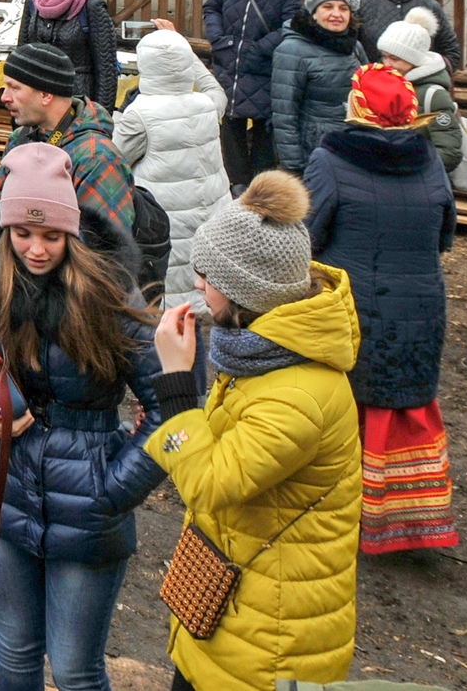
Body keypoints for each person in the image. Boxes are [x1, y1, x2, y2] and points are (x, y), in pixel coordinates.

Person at [0, 143, 169, 691]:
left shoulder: (109, 290)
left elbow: (169, 411)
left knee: (76, 669)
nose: (36, 249)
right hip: (2, 491)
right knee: (13, 652)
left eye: (52, 236)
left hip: (87, 506)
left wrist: (113, 491)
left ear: (73, 233)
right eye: (23, 234)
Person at [145, 174, 362, 691]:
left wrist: (177, 386)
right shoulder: (264, 353)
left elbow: (211, 484)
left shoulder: (297, 395)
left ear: (247, 289)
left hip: (270, 646)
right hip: (240, 614)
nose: (198, 283)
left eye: (208, 274)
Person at [303, 63, 457, 555]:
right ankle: (406, 521)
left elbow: (308, 232)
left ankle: (341, 512)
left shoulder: (330, 159)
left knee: (347, 405)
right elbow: (446, 233)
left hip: (354, 306)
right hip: (420, 302)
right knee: (401, 405)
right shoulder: (428, 159)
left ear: (358, 106)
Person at [114, 30, 231, 308]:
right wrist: (187, 53)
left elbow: (115, 161)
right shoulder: (205, 104)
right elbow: (216, 90)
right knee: (206, 288)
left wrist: (116, 117)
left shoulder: (139, 115)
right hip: (213, 220)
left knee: (171, 300)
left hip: (166, 226)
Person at [201, 0, 299, 188]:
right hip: (229, 66)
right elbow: (212, 8)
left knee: (263, 133)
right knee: (229, 124)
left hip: (263, 70)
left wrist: (260, 49)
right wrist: (218, 39)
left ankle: (261, 186)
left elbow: (291, 25)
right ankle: (235, 184)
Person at [0, 43, 135, 233]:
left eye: (14, 88)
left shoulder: (96, 158)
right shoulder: (20, 140)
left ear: (46, 95)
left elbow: (107, 250)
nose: (4, 97)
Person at [271, 0, 368, 177]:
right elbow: (285, 115)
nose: (336, 14)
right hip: (316, 155)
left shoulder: (354, 47)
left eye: (343, 8)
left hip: (354, 148)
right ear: (313, 12)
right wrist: (293, 167)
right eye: (328, 7)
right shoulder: (292, 51)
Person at [18, 0, 116, 110]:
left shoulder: (91, 7)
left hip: (77, 107)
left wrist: (100, 121)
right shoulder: (33, 1)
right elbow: (22, 56)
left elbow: (107, 71)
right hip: (37, 105)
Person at [377, 11, 464, 185]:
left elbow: (450, 152)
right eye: (385, 56)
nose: (387, 64)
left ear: (414, 60)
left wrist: (406, 167)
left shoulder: (434, 97)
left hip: (419, 183)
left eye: (394, 58)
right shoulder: (388, 85)